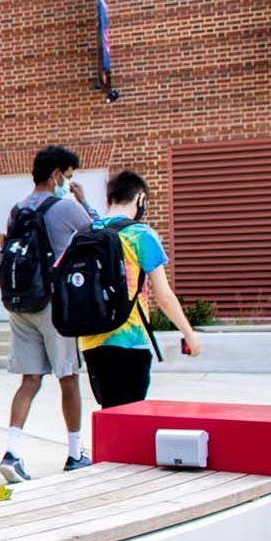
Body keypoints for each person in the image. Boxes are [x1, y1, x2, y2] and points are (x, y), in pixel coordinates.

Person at [0, 146, 96, 484]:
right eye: (67, 177)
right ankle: (74, 453)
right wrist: (82, 201)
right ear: (56, 174)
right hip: (54, 305)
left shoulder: (17, 209)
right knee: (68, 376)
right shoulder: (66, 208)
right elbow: (99, 232)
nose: (68, 183)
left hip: (19, 303)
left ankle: (12, 453)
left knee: (29, 380)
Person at [79, 170, 202, 407]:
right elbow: (164, 296)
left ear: (108, 200)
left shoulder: (86, 233)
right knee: (128, 416)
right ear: (140, 199)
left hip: (91, 341)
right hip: (130, 340)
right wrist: (189, 334)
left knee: (109, 413)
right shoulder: (141, 234)